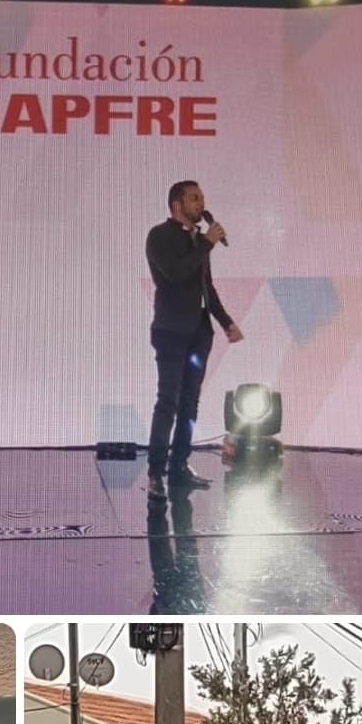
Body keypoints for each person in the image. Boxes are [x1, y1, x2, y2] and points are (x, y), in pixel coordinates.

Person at [143, 180, 243, 501]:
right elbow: (175, 273)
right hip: (171, 332)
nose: (202, 203)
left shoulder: (200, 241)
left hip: (199, 333)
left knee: (190, 403)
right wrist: (206, 244)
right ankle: (156, 472)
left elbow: (205, 288)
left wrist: (226, 322)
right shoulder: (159, 236)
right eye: (195, 198)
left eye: (202, 197)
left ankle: (179, 466)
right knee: (168, 402)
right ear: (177, 204)